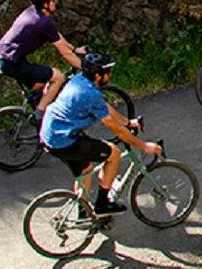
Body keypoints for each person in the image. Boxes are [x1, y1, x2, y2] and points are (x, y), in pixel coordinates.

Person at [39, 50, 158, 214]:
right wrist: (144, 146)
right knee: (114, 153)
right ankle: (103, 204)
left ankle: (83, 211)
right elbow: (115, 129)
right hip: (64, 140)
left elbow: (105, 107)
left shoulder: (79, 80)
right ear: (98, 76)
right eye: (107, 73)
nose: (109, 76)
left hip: (51, 134)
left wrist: (127, 122)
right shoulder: (89, 94)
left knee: (86, 169)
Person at [0, 0, 84, 113]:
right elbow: (65, 55)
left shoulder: (33, 12)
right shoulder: (43, 22)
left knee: (42, 84)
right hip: (12, 63)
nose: (55, 1)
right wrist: (85, 68)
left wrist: (74, 49)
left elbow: (57, 36)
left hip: (6, 57)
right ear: (45, 4)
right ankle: (40, 113)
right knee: (59, 77)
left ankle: (38, 106)